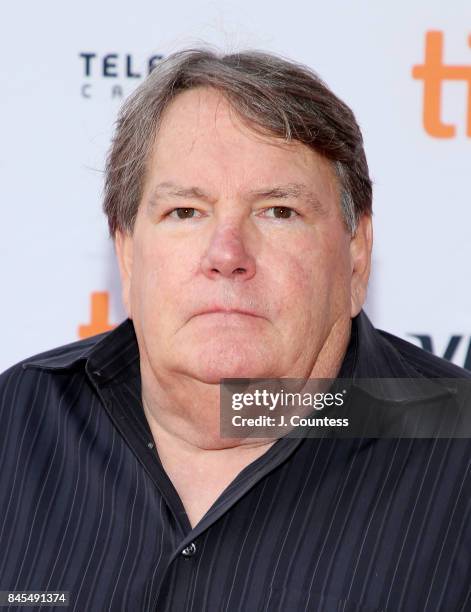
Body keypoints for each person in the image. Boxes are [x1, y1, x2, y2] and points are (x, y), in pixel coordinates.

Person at [0, 48, 470, 612]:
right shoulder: (16, 420)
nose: (227, 255)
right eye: (185, 212)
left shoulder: (458, 455)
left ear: (355, 255)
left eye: (278, 211)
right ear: (127, 254)